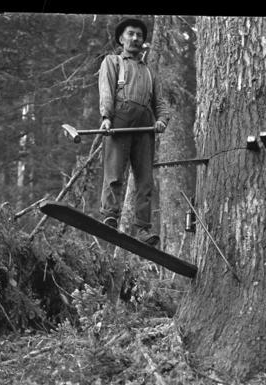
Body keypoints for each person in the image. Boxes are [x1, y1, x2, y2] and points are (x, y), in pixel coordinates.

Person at [98, 18, 169, 247]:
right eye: (131, 34)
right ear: (121, 38)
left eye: (139, 35)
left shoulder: (149, 72)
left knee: (145, 181)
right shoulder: (113, 62)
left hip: (145, 127)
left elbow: (160, 103)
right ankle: (110, 216)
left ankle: (142, 229)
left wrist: (162, 120)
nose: (135, 38)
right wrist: (106, 118)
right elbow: (106, 91)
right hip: (119, 120)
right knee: (114, 173)